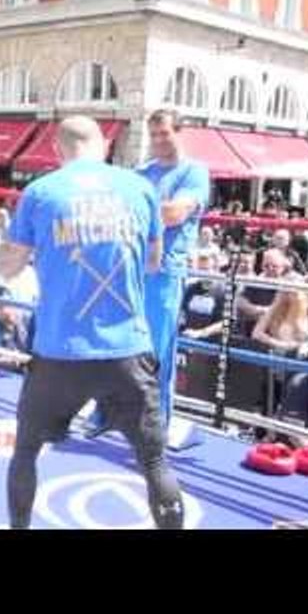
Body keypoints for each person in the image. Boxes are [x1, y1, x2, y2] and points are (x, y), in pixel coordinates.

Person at [0, 115, 183, 530]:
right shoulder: (140, 189)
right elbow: (153, 262)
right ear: (105, 145)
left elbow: (10, 269)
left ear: (56, 150)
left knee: (26, 450)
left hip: (59, 352)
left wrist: (26, 250)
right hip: (128, 350)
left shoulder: (41, 192)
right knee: (154, 461)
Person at [88, 108, 210, 435]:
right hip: (129, 267)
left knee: (156, 351)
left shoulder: (194, 173)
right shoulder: (142, 172)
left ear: (179, 133)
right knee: (114, 341)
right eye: (153, 134)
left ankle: (153, 426)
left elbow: (174, 214)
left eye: (164, 133)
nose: (157, 140)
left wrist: (133, 211)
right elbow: (113, 210)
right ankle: (106, 413)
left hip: (165, 272)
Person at [252, 290, 308, 357]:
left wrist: (306, 346)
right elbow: (256, 334)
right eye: (288, 291)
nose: (294, 294)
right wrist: (280, 344)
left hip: (303, 355)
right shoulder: (276, 307)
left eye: (297, 290)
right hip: (278, 353)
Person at [180, 249, 226, 343]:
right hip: (188, 339)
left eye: (206, 270)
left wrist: (201, 333)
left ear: (216, 269)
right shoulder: (191, 288)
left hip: (211, 344)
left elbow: (226, 323)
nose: (203, 274)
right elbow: (182, 312)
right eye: (200, 270)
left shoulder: (224, 291)